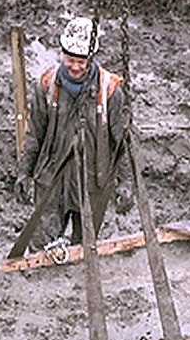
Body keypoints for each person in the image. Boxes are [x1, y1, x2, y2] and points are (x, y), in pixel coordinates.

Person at [14, 16, 133, 249]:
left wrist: (126, 183)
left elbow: (121, 143)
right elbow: (35, 134)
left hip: (91, 180)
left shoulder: (109, 91)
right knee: (42, 247)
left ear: (91, 58)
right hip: (51, 177)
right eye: (70, 60)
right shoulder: (47, 85)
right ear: (62, 54)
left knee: (85, 248)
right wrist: (24, 172)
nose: (76, 67)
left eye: (82, 61)